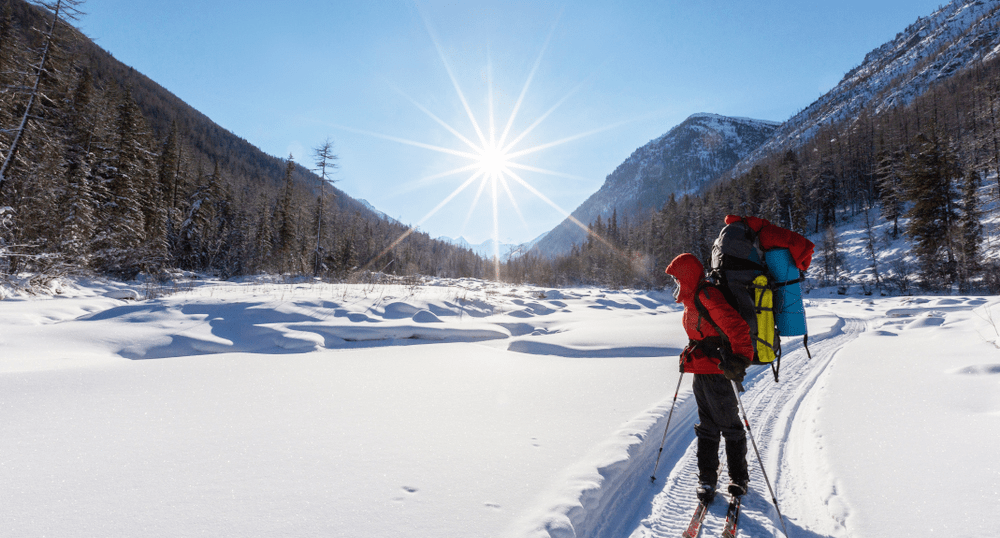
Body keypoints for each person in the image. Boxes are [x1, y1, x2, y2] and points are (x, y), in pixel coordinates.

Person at [665, 252, 752, 503]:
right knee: (707, 426)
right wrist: (689, 352)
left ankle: (738, 477)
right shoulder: (693, 299)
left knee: (730, 426)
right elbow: (702, 334)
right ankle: (706, 478)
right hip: (702, 372)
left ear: (688, 276)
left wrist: (740, 359)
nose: (677, 285)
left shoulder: (707, 295)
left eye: (678, 279)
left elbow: (737, 327)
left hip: (720, 372)